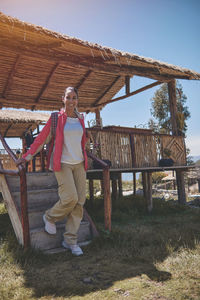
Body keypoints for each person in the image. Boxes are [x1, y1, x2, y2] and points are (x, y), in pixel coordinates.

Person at [16, 87, 88, 256]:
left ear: (77, 100)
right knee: (70, 198)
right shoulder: (56, 118)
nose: (71, 101)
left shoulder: (80, 119)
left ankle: (70, 241)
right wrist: (27, 157)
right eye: (68, 97)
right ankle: (49, 217)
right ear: (62, 99)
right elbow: (41, 139)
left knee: (79, 203)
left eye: (74, 97)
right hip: (62, 163)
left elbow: (82, 140)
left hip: (79, 164)